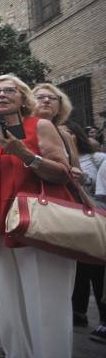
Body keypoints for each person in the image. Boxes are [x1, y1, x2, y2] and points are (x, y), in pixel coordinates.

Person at [0, 74, 76, 358]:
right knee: (8, 301)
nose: (1, 95)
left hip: (38, 226)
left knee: (46, 301)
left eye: (9, 90)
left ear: (22, 97)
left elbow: (63, 172)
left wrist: (25, 154)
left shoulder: (40, 126)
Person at [66, 121, 106, 342]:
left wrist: (85, 179)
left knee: (98, 272)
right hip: (72, 219)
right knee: (79, 269)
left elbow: (100, 191)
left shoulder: (97, 159)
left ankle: (103, 318)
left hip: (95, 219)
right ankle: (78, 311)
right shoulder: (59, 157)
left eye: (70, 132)